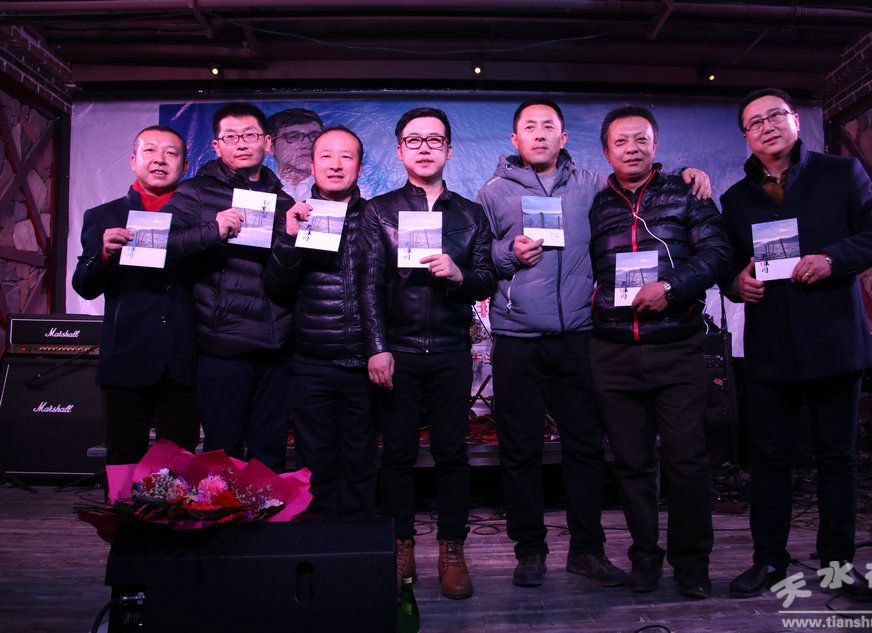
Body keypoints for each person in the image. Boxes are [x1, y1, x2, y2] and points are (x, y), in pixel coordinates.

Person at [476, 98, 710, 589]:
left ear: (564, 138)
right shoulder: (493, 192)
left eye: (549, 126)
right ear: (515, 139)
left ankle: (587, 550)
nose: (540, 134)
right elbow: (480, 258)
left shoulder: (591, 186)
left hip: (582, 334)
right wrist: (507, 252)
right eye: (529, 127)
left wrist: (686, 174)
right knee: (519, 451)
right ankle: (529, 550)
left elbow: (639, 187)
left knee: (584, 449)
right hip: (518, 336)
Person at [721, 88, 872, 602]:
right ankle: (768, 561)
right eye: (755, 122)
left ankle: (838, 564)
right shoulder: (736, 199)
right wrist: (736, 284)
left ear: (795, 121)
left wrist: (833, 259)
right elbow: (726, 266)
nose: (767, 126)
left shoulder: (840, 173)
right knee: (769, 460)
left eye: (775, 115)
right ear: (747, 137)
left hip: (834, 341)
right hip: (770, 347)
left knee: (838, 458)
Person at [588, 105, 732, 599]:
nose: (632, 148)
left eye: (641, 139)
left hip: (677, 348)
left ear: (656, 144)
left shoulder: (687, 193)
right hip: (612, 351)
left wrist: (670, 288)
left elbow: (719, 253)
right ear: (606, 151)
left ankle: (691, 562)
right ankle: (645, 557)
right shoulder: (594, 204)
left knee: (687, 462)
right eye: (621, 141)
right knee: (631, 465)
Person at [359, 107, 496, 600]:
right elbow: (369, 286)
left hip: (450, 351)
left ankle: (451, 549)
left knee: (452, 454)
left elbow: (487, 278)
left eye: (434, 140)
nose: (424, 147)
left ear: (449, 150)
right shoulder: (379, 210)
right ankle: (401, 547)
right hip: (397, 352)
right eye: (413, 140)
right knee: (396, 455)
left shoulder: (470, 214)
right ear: (399, 150)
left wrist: (460, 277)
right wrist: (377, 348)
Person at [166, 102, 294, 471]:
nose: (241, 143)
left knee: (270, 453)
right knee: (222, 453)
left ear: (266, 142)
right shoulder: (194, 194)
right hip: (223, 344)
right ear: (216, 145)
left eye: (250, 135)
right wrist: (213, 230)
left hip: (276, 346)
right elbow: (159, 248)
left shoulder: (284, 201)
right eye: (231, 136)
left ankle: (268, 510)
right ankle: (223, 511)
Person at [264, 126, 377, 517]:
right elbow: (277, 290)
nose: (335, 164)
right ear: (312, 166)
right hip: (311, 364)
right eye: (326, 156)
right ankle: (321, 544)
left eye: (346, 156)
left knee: (362, 463)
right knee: (316, 467)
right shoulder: (295, 215)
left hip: (364, 365)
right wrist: (289, 238)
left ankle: (359, 543)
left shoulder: (377, 218)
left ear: (360, 167)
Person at [72, 125, 199, 464]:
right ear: (133, 160)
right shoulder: (103, 216)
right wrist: (103, 256)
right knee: (123, 459)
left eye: (171, 153)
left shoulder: (198, 219)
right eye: (150, 151)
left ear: (185, 166)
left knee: (179, 465)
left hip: (183, 359)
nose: (160, 160)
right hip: (125, 357)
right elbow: (84, 285)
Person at [266, 107, 325, 200]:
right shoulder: (259, 192)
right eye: (293, 136)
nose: (307, 144)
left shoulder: (338, 190)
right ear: (270, 145)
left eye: (314, 136)